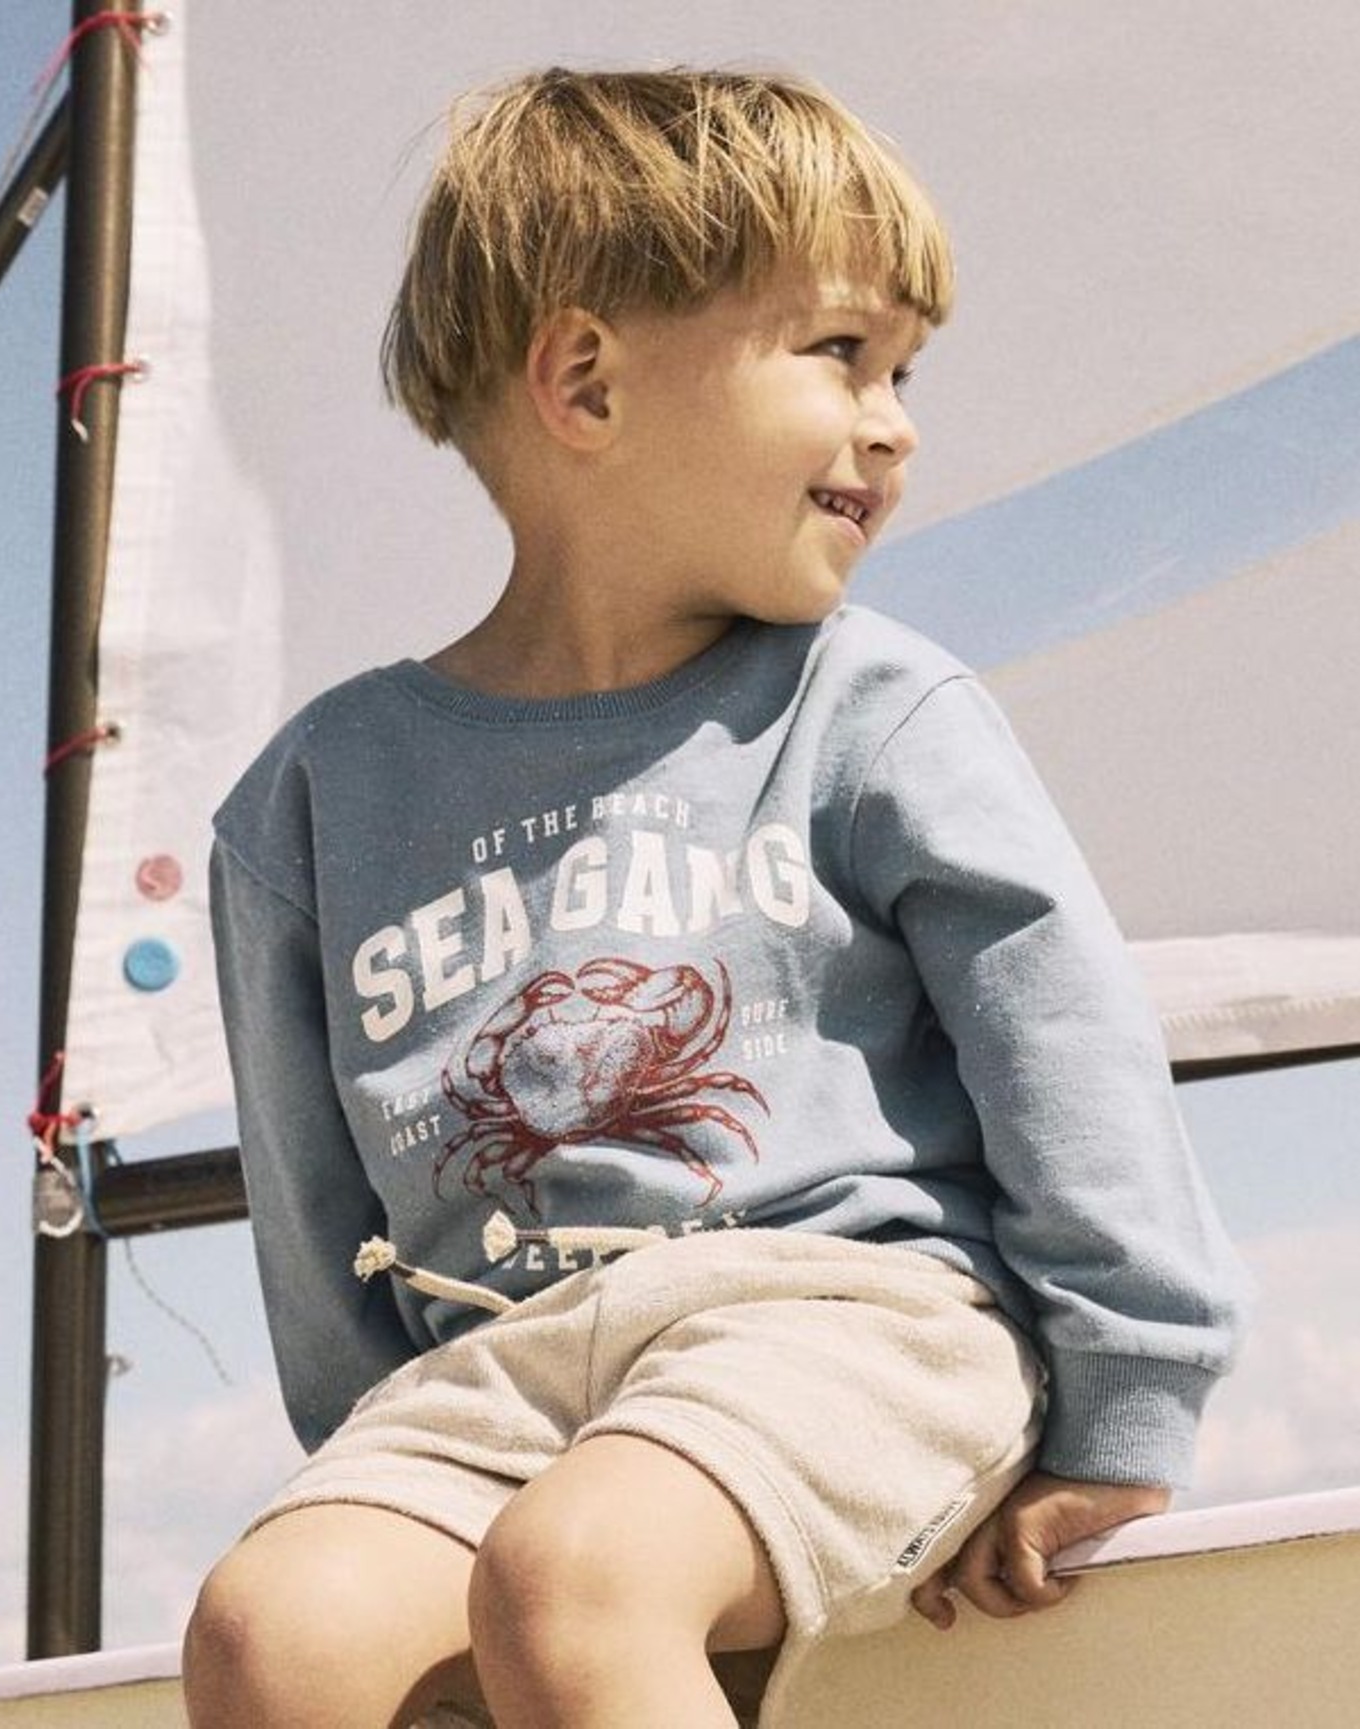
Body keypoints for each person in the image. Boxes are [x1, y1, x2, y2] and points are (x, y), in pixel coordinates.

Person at [182, 67, 1246, 1729]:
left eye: (904, 370)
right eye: (843, 351)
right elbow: (315, 1215)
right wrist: (367, 1465)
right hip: (494, 1386)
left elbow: (1063, 1039)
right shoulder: (314, 799)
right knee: (273, 1630)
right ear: (586, 381)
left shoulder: (873, 712)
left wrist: (1126, 1397)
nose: (896, 423)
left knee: (580, 1574)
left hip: (847, 1321)